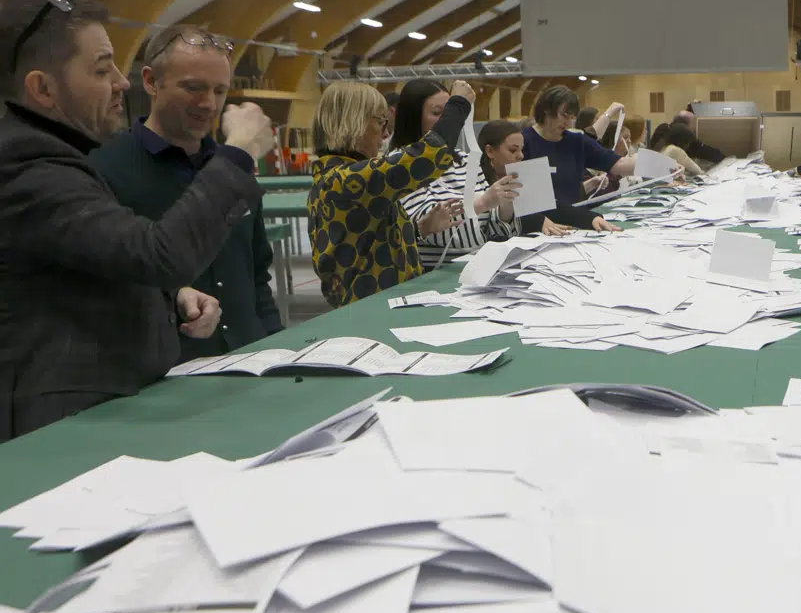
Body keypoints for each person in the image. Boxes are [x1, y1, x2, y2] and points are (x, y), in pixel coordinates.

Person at [0, 0, 273, 440]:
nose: (120, 84)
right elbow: (158, 255)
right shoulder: (26, 164)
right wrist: (240, 154)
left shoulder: (56, 157)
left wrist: (168, 296)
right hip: (60, 430)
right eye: (102, 69)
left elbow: (90, 267)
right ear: (42, 88)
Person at [89, 24, 283, 361]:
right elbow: (107, 280)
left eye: (219, 91)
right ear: (150, 81)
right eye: (193, 88)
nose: (208, 103)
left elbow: (256, 274)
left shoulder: (234, 169)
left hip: (252, 360)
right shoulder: (104, 168)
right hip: (166, 372)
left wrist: (278, 347)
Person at [308, 79, 475, 306]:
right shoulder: (347, 180)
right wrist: (459, 104)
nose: (385, 133)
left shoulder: (342, 178)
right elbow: (427, 157)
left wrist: (417, 230)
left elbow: (367, 239)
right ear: (352, 124)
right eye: (379, 122)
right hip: (368, 310)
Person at [393, 81, 522, 270]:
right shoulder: (400, 165)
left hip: (477, 268)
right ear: (413, 118)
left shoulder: (466, 161)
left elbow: (496, 230)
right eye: (438, 113)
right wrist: (484, 202)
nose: (448, 120)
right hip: (431, 275)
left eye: (450, 112)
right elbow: (430, 230)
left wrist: (505, 205)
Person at [522, 85, 630, 232]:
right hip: (543, 229)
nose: (568, 123)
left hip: (575, 225)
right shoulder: (524, 143)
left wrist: (663, 166)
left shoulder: (576, 141)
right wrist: (588, 218)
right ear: (547, 110)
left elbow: (620, 164)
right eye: (564, 116)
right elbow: (534, 204)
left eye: (572, 117)